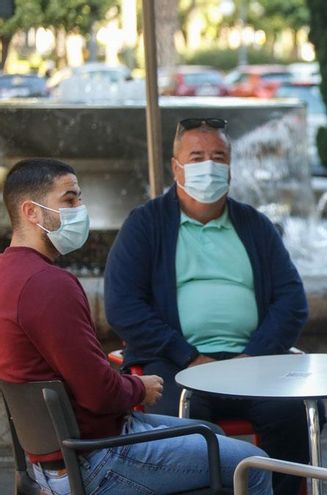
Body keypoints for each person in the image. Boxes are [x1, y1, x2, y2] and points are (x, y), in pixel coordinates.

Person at [0, 158, 270, 494]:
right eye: (69, 200)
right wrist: (140, 388)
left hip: (53, 459)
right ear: (31, 211)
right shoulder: (48, 285)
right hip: (95, 458)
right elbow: (98, 394)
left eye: (80, 198)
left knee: (208, 430)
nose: (80, 208)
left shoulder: (8, 274)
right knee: (252, 465)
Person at [103, 118, 319, 493]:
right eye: (197, 156)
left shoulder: (255, 225)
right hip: (176, 365)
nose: (209, 166)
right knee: (187, 434)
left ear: (231, 167)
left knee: (292, 413)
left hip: (252, 365)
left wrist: (254, 356)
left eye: (218, 157)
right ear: (176, 167)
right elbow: (123, 305)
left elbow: (292, 300)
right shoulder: (145, 224)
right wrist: (188, 356)